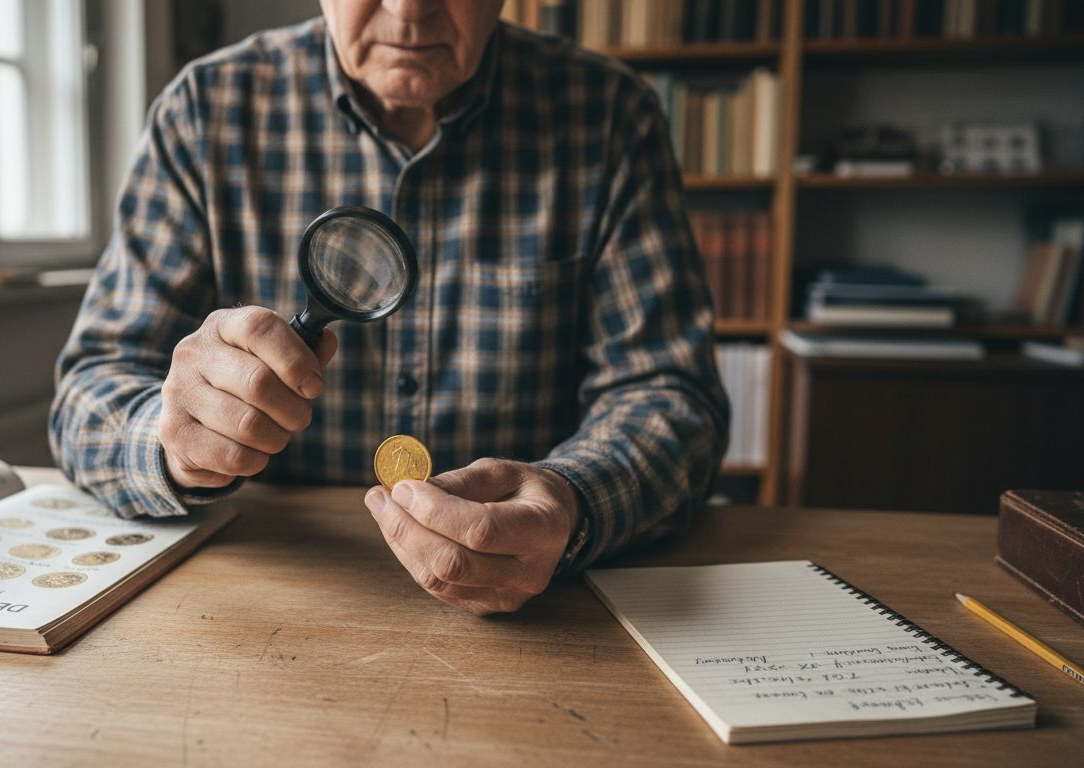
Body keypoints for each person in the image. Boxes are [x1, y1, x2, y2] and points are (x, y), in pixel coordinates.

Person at [50, 0, 729, 616]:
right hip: (269, 603)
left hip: (545, 613)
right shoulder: (205, 109)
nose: (408, 12)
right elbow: (88, 391)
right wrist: (170, 441)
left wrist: (574, 501)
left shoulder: (607, 114)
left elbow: (670, 394)